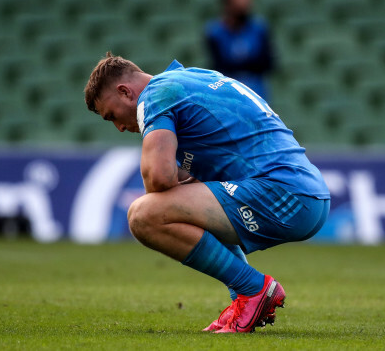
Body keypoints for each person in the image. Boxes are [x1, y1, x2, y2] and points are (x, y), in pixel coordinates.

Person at [84, 53, 330, 333]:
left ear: (125, 92)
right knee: (186, 202)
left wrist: (170, 176)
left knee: (144, 214)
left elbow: (158, 179)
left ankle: (255, 290)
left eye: (112, 116)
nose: (119, 127)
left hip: (281, 192)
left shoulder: (156, 94)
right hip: (306, 192)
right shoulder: (194, 77)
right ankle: (243, 299)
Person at [205, 0, 275, 101]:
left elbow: (268, 62)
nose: (246, 2)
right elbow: (217, 66)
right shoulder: (215, 32)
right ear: (228, 2)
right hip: (228, 95)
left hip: (257, 93)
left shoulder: (259, 28)